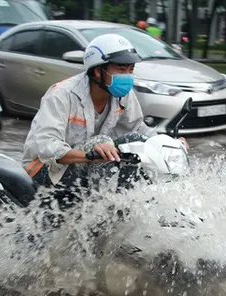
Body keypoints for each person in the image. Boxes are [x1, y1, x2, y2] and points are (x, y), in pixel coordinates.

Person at [21, 34, 160, 206]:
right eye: (121, 70)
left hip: (86, 167)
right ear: (97, 71)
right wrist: (91, 154)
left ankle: (127, 206)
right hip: (44, 170)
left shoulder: (123, 96)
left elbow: (137, 128)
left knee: (137, 143)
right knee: (103, 143)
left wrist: (166, 143)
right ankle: (101, 212)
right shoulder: (62, 95)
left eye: (130, 70)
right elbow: (47, 146)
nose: (127, 76)